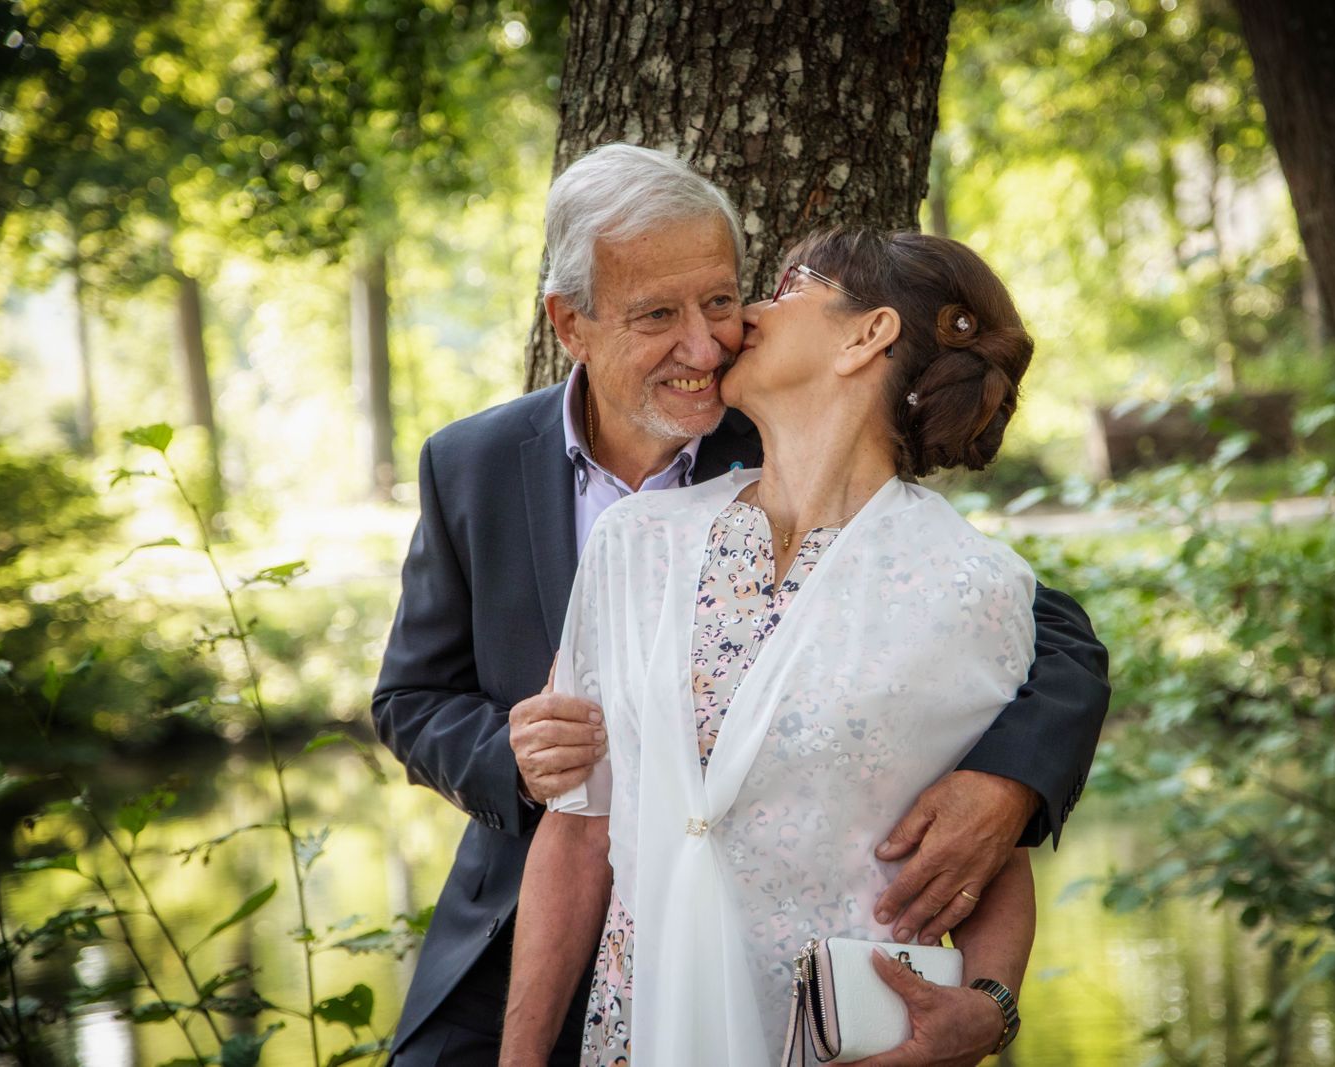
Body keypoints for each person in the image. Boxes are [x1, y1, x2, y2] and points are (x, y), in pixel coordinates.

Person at [372, 144, 1110, 1066]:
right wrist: (520, 759)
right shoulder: (487, 471)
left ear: (864, 338)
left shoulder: (799, 442)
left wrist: (1009, 789)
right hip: (519, 936)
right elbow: (414, 700)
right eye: (655, 316)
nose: (711, 341)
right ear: (572, 323)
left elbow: (1042, 639)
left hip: (818, 1014)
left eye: (723, 300)